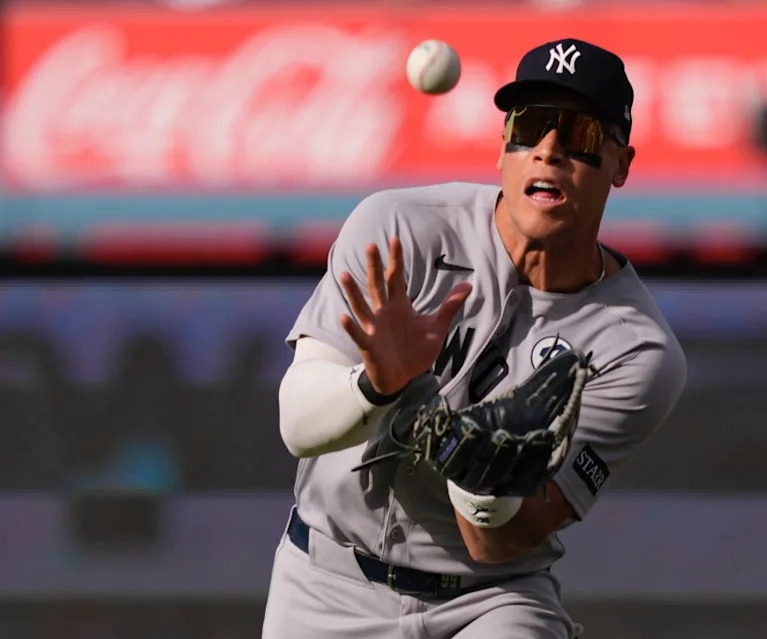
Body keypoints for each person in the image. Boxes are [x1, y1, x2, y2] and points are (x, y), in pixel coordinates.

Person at [261, 38, 687, 639]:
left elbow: (500, 542)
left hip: (489, 600)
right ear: (503, 148)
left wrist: (479, 474)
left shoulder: (635, 350)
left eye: (581, 135)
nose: (548, 151)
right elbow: (297, 424)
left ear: (621, 164)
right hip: (325, 584)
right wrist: (374, 387)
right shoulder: (399, 228)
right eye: (531, 125)